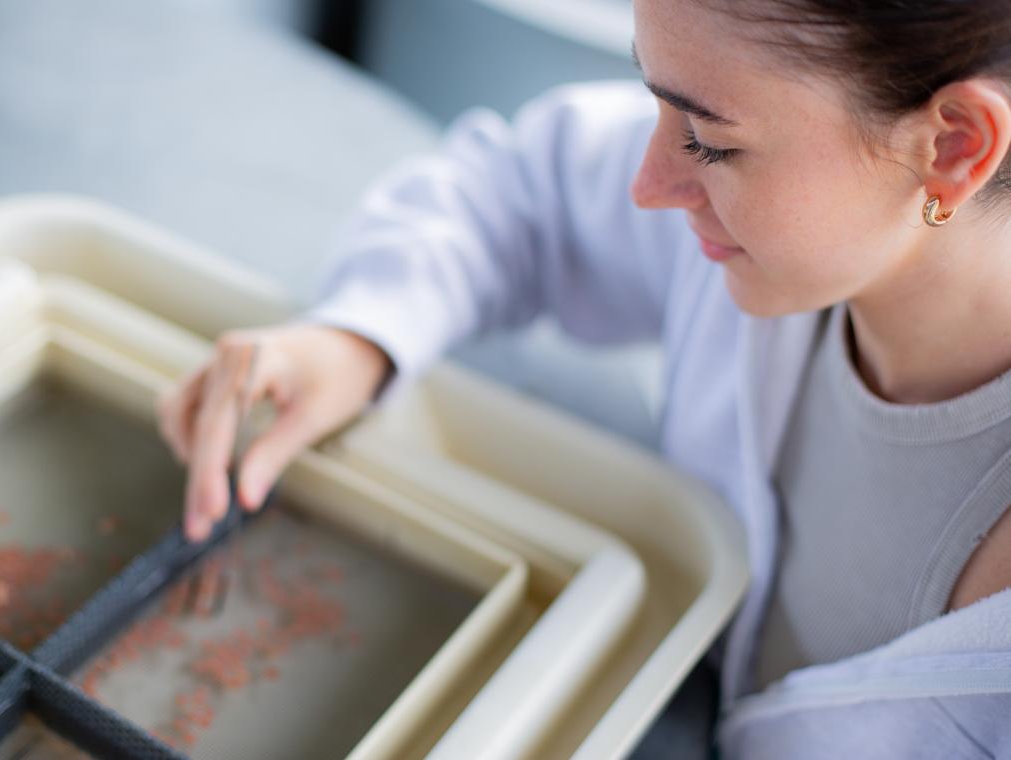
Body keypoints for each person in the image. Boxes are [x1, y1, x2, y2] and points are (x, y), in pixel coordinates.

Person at [157, 0, 1011, 755]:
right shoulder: (795, 237)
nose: (651, 184)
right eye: (654, 100)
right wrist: (358, 336)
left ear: (954, 145)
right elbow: (523, 192)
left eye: (710, 142)